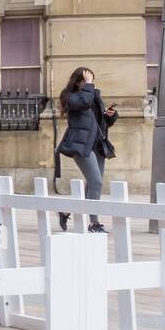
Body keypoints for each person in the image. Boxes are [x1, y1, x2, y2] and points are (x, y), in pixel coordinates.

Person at [55, 66, 118, 233]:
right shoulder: (70, 96)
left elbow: (100, 122)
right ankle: (93, 223)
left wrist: (111, 115)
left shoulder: (93, 97)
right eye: (87, 80)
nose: (90, 83)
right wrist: (89, 86)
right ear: (78, 81)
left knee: (93, 184)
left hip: (97, 145)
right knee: (96, 182)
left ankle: (66, 212)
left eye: (91, 80)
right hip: (81, 144)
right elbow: (83, 104)